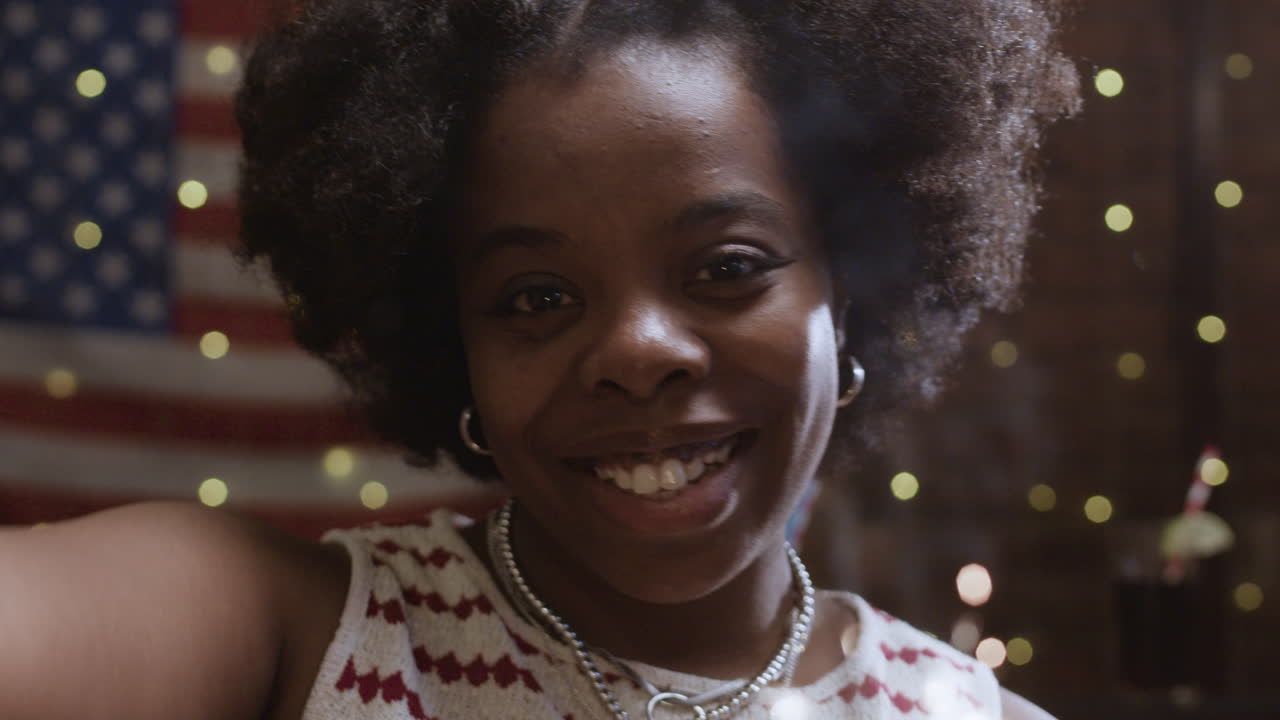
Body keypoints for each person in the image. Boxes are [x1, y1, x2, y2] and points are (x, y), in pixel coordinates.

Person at [0, 0, 1079, 717]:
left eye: (725, 265)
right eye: (537, 296)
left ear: (844, 296)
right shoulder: (297, 638)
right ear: (449, 339)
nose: (637, 351)